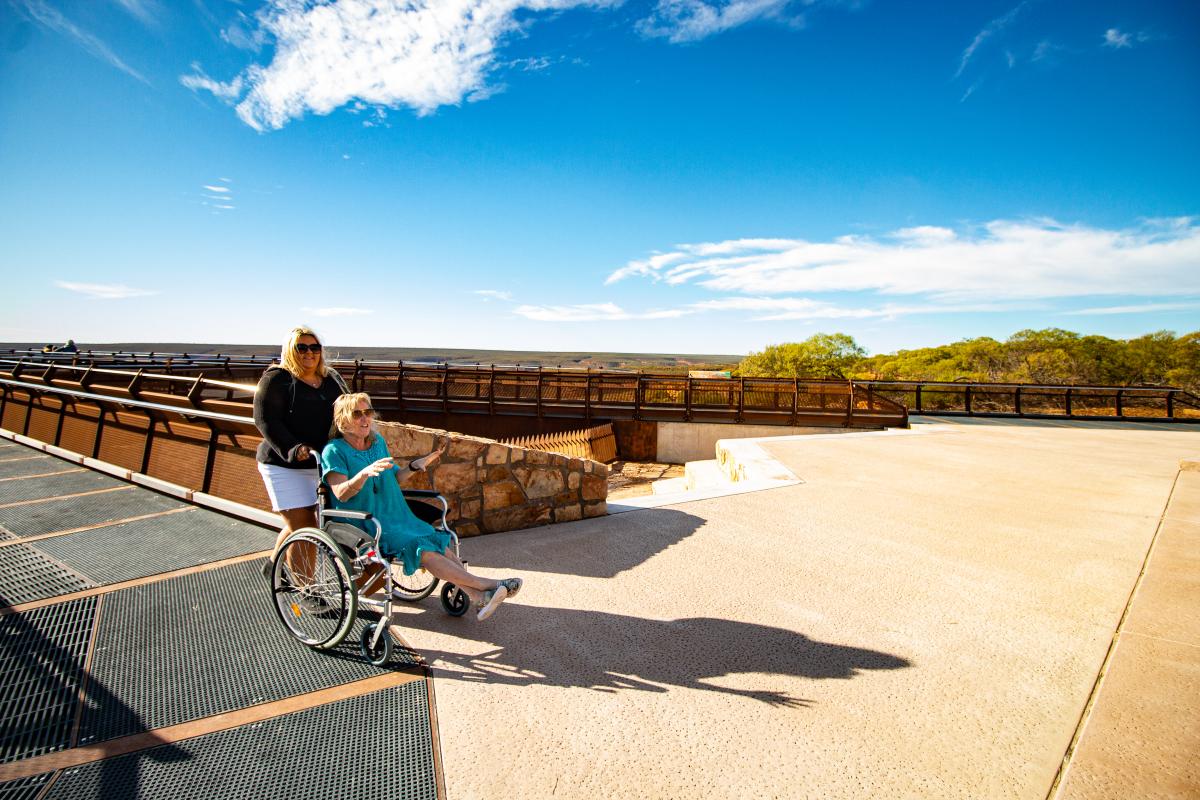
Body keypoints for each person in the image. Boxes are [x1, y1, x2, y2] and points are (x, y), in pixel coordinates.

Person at [322, 392, 522, 622]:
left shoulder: (377, 443)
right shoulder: (334, 450)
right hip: (365, 522)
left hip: (396, 516)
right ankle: (489, 584)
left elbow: (394, 478)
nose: (365, 418)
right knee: (423, 551)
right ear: (342, 420)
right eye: (357, 414)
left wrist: (415, 466)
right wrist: (363, 475)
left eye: (367, 412)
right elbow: (341, 493)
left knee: (435, 540)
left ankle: (478, 596)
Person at [253, 326, 345, 567]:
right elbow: (266, 420)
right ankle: (307, 593)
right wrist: (294, 448)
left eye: (314, 347)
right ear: (290, 351)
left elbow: (348, 411)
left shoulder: (331, 379)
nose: (309, 352)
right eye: (301, 347)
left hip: (320, 462)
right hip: (284, 465)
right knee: (306, 529)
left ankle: (274, 566)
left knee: (302, 522)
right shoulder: (277, 379)